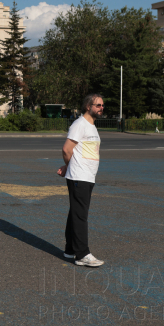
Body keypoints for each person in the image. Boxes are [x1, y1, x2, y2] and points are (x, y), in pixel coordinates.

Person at [56, 94, 105, 267]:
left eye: (102, 105)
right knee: (80, 215)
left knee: (76, 212)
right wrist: (69, 166)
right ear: (88, 106)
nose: (101, 108)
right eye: (98, 105)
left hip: (86, 176)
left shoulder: (91, 126)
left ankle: (70, 250)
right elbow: (67, 149)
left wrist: (68, 166)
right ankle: (82, 254)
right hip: (79, 176)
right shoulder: (80, 124)